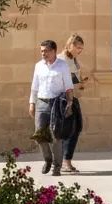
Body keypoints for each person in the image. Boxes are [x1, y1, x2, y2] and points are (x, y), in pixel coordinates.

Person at [28, 40, 74, 176]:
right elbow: (34, 87)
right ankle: (48, 159)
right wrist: (32, 103)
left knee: (56, 136)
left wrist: (70, 103)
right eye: (42, 51)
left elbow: (69, 86)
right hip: (41, 102)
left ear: (54, 51)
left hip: (57, 104)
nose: (43, 53)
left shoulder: (62, 66)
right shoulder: (38, 66)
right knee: (39, 135)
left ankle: (57, 166)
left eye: (46, 51)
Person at [60, 34, 89, 173]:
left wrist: (81, 83)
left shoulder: (74, 60)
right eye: (78, 47)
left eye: (81, 48)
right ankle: (64, 162)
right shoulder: (61, 60)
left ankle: (66, 160)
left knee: (77, 128)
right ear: (70, 45)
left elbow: (74, 79)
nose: (79, 51)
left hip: (74, 97)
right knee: (68, 129)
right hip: (64, 99)